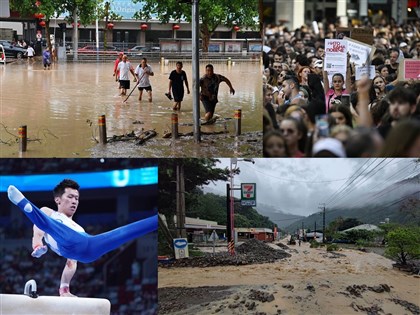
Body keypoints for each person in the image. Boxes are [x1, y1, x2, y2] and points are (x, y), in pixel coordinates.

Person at [7, 180, 157, 297]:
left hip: (87, 248)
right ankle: (25, 204)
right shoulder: (50, 212)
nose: (74, 201)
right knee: (48, 222)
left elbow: (71, 263)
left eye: (77, 198)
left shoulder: (79, 228)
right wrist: (37, 243)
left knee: (123, 233)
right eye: (70, 197)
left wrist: (64, 288)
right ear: (58, 200)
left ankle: (156, 221)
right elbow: (39, 228)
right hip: (66, 242)